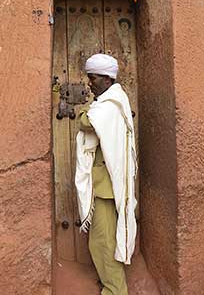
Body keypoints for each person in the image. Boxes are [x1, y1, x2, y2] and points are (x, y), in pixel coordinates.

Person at [75, 54, 137, 295]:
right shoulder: (110, 101)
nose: (89, 82)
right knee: (102, 240)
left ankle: (115, 290)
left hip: (107, 188)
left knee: (102, 242)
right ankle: (111, 284)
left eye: (93, 78)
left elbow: (87, 122)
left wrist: (84, 113)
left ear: (106, 78)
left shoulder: (111, 104)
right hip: (105, 185)